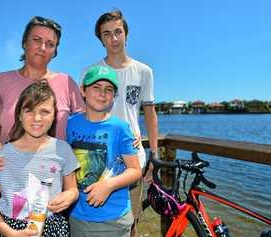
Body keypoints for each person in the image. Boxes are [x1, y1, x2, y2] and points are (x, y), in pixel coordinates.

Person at [81, 10, 158, 236]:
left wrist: (153, 152)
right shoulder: (90, 72)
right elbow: (83, 114)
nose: (114, 39)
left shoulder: (144, 71)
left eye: (118, 32)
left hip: (132, 157)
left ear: (126, 34)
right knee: (95, 219)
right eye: (107, 34)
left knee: (130, 221)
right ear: (101, 39)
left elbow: (150, 113)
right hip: (98, 156)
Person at [0, 16, 84, 173]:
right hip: (8, 176)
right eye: (37, 40)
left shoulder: (67, 83)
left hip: (55, 178)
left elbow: (86, 125)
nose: (43, 48)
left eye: (50, 44)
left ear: (54, 52)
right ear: (24, 43)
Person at [0, 81, 79, 237]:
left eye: (44, 111)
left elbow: (73, 189)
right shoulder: (0, 155)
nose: (37, 118)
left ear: (54, 116)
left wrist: (69, 195)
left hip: (52, 228)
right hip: (9, 229)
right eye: (29, 110)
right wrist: (10, 233)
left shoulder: (63, 149)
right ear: (20, 115)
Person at [67, 65, 142, 237]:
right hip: (78, 215)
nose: (102, 93)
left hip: (113, 219)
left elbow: (135, 170)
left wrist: (108, 186)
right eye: (96, 87)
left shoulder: (121, 128)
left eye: (109, 89)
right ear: (83, 91)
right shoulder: (70, 124)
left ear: (114, 96)